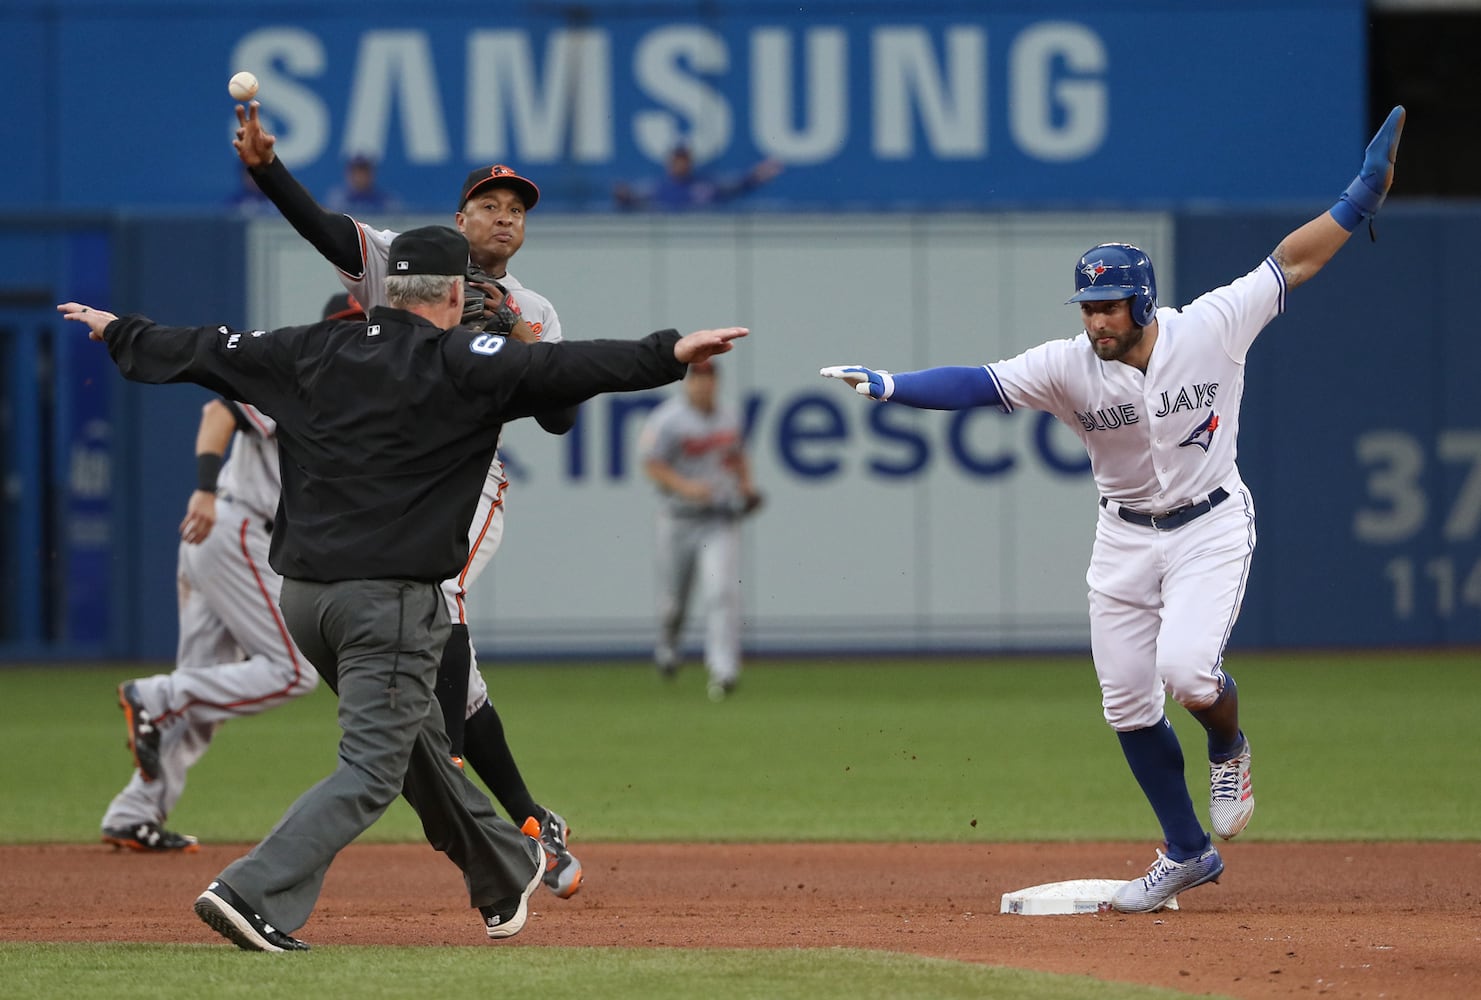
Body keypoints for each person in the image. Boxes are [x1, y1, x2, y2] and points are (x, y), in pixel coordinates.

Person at [59, 225, 748, 951]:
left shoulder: (310, 347)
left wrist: (120, 332)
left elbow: (206, 348)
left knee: (418, 746)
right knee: (370, 771)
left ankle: (502, 870)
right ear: (455, 293)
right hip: (385, 603)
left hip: (305, 600)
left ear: (387, 290)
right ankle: (247, 891)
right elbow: (571, 369)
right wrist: (669, 351)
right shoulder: (463, 360)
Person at [820, 107, 1406, 913]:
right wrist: (893, 385)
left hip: (1207, 524)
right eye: (1088, 308)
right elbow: (979, 383)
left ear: (1143, 303)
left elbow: (1289, 264)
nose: (1095, 321)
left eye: (1110, 306)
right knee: (1127, 702)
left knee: (1187, 673)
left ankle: (1227, 744)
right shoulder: (1067, 367)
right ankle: (1187, 853)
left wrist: (1357, 200)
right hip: (1124, 536)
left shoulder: (1208, 327)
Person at [231, 99, 583, 897]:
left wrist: (527, 350)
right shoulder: (407, 262)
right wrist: (266, 171)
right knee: (451, 652)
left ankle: (449, 762)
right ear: (460, 217)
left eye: (515, 210)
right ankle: (531, 820)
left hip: (464, 475)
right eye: (489, 205)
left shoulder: (534, 311)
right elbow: (326, 231)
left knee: (441, 592)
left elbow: (560, 419)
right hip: (389, 479)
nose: (503, 218)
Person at [99, 296, 354, 851]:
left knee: (206, 687)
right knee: (292, 672)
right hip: (234, 526)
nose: (350, 332)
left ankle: (134, 811)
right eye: (344, 324)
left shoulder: (350, 392)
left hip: (225, 536)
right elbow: (219, 412)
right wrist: (204, 488)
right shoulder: (304, 374)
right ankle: (154, 696)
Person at [637, 359, 762, 701]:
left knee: (721, 593)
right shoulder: (668, 418)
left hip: (718, 519)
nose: (703, 385)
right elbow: (651, 463)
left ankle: (724, 671)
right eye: (698, 378)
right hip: (677, 519)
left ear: (716, 383)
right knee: (674, 602)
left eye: (709, 378)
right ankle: (668, 648)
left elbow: (738, 456)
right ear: (687, 382)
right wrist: (685, 487)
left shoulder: (729, 415)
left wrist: (747, 487)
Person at [613, 143, 783, 211]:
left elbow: (735, 186)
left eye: (684, 161)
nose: (680, 166)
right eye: (676, 162)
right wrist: (624, 196)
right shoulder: (657, 188)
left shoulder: (704, 185)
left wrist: (756, 176)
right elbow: (632, 199)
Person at [325, 154, 402, 214]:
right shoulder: (339, 200)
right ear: (349, 174)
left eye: (364, 171)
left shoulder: (385, 200)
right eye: (356, 172)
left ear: (372, 173)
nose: (360, 176)